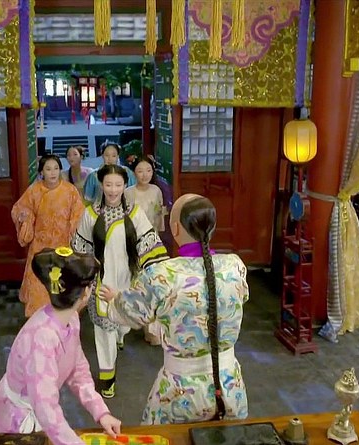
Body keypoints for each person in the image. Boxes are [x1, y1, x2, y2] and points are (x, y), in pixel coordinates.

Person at [99, 194, 249, 424]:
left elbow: (126, 314)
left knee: (164, 438)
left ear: (175, 228)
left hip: (180, 391)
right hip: (229, 385)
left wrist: (115, 299)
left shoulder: (161, 275)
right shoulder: (235, 266)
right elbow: (240, 298)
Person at [0, 247, 122, 445]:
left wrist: (101, 413)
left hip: (41, 412)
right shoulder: (42, 338)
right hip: (17, 422)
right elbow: (45, 408)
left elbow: (78, 371)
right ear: (85, 292)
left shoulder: (71, 319)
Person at [71, 164, 168, 399]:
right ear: (101, 185)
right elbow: (81, 249)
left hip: (127, 279)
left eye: (118, 185)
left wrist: (160, 275)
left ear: (125, 185)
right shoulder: (91, 214)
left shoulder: (134, 213)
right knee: (104, 329)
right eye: (108, 184)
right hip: (101, 281)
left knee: (122, 324)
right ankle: (107, 376)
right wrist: (85, 281)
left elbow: (149, 244)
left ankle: (121, 334)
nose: (113, 190)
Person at [12, 154, 85, 317]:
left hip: (63, 245)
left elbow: (79, 214)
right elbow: (20, 208)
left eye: (56, 168)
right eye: (48, 169)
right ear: (41, 172)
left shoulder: (70, 190)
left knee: (63, 284)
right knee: (39, 283)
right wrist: (24, 216)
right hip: (40, 246)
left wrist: (74, 233)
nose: (53, 172)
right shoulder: (34, 191)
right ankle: (39, 319)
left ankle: (64, 318)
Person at [124, 156, 167, 346]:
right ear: (134, 173)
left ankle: (151, 329)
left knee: (152, 283)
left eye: (148, 170)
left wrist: (158, 236)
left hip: (152, 242)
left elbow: (159, 215)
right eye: (140, 171)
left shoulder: (157, 190)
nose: (145, 175)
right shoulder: (128, 193)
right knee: (134, 281)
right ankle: (130, 320)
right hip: (133, 242)